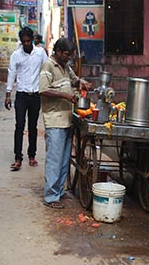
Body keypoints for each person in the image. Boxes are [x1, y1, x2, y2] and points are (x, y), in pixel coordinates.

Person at [39, 38, 92, 209]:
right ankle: (51, 196)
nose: (68, 58)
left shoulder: (65, 66)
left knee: (64, 159)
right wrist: (66, 96)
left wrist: (81, 82)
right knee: (54, 159)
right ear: (58, 52)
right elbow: (43, 90)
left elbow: (74, 80)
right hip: (55, 119)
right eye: (66, 55)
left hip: (67, 119)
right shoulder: (48, 65)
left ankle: (59, 191)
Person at [5, 26, 48, 171]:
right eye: (24, 42)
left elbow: (47, 69)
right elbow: (11, 74)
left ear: (33, 40)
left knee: (32, 127)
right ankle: (18, 157)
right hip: (21, 96)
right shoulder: (16, 55)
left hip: (35, 95)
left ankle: (32, 155)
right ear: (21, 42)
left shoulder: (40, 53)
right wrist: (8, 94)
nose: (26, 44)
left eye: (28, 41)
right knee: (19, 126)